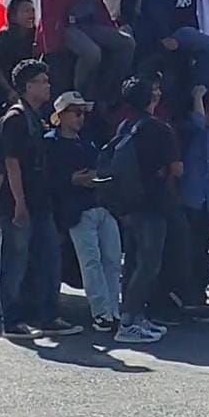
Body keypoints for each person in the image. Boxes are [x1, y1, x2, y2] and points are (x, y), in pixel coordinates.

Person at [0, 60, 83, 339]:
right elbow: (12, 163)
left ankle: (48, 316)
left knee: (49, 258)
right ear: (28, 85)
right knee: (14, 261)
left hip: (40, 201)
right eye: (42, 81)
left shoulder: (38, 116)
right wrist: (19, 203)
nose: (47, 85)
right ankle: (12, 321)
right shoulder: (16, 118)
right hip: (17, 202)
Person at [46, 90, 121, 333]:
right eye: (76, 112)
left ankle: (113, 311)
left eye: (83, 113)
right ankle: (100, 313)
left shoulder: (87, 141)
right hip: (76, 211)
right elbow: (45, 179)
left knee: (112, 260)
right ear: (61, 115)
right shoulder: (50, 143)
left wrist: (97, 176)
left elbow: (102, 166)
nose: (81, 118)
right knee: (91, 262)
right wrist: (72, 180)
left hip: (101, 205)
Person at [113, 75, 181, 344]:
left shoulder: (124, 128)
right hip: (153, 205)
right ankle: (130, 321)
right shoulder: (159, 129)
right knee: (148, 265)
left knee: (131, 262)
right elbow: (177, 168)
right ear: (151, 98)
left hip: (127, 205)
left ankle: (133, 316)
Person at [178, 85, 209, 303]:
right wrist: (198, 95)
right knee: (193, 249)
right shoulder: (188, 129)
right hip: (193, 199)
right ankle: (192, 295)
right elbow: (198, 124)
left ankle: (199, 288)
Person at [0, 0, 35, 100]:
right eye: (26, 11)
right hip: (4, 87)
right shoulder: (0, 38)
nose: (31, 15)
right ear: (13, 16)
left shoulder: (38, 37)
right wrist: (9, 91)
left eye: (32, 11)